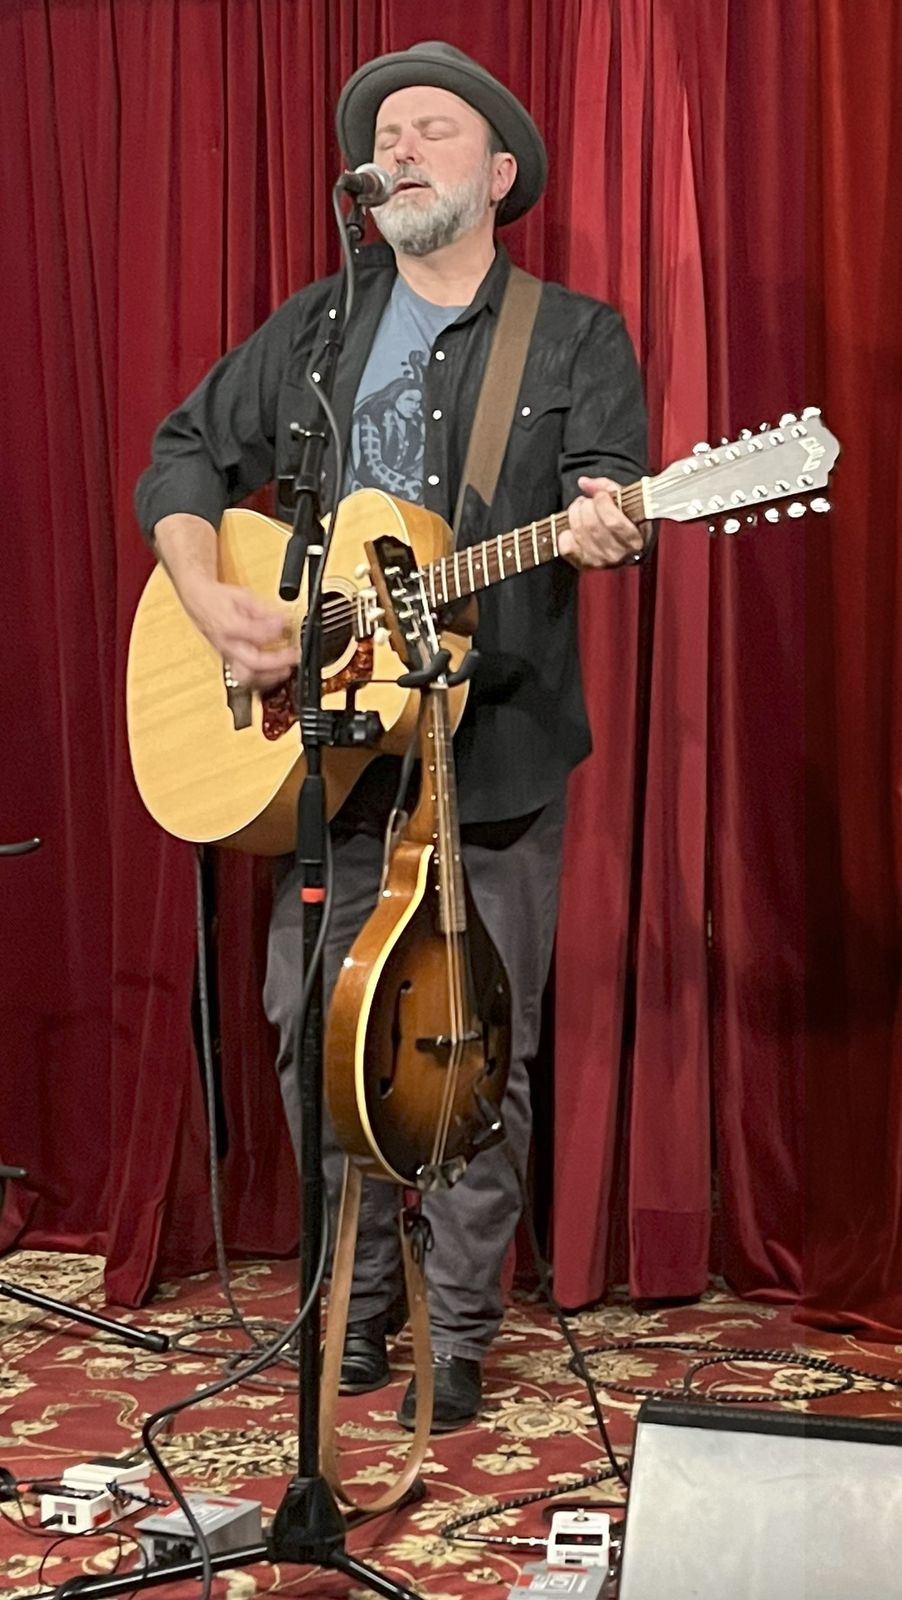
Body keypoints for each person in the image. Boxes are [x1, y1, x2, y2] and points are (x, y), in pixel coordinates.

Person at [135, 41, 649, 1432]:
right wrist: (214, 601)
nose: (399, 148)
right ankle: (351, 1308)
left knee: (470, 1047)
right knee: (310, 1026)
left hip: (493, 751)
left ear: (498, 173)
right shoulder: (322, 321)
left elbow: (605, 492)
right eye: (385, 134)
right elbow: (182, 456)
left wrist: (608, 519)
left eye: (433, 129)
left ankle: (461, 1327)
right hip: (329, 748)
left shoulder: (573, 335)